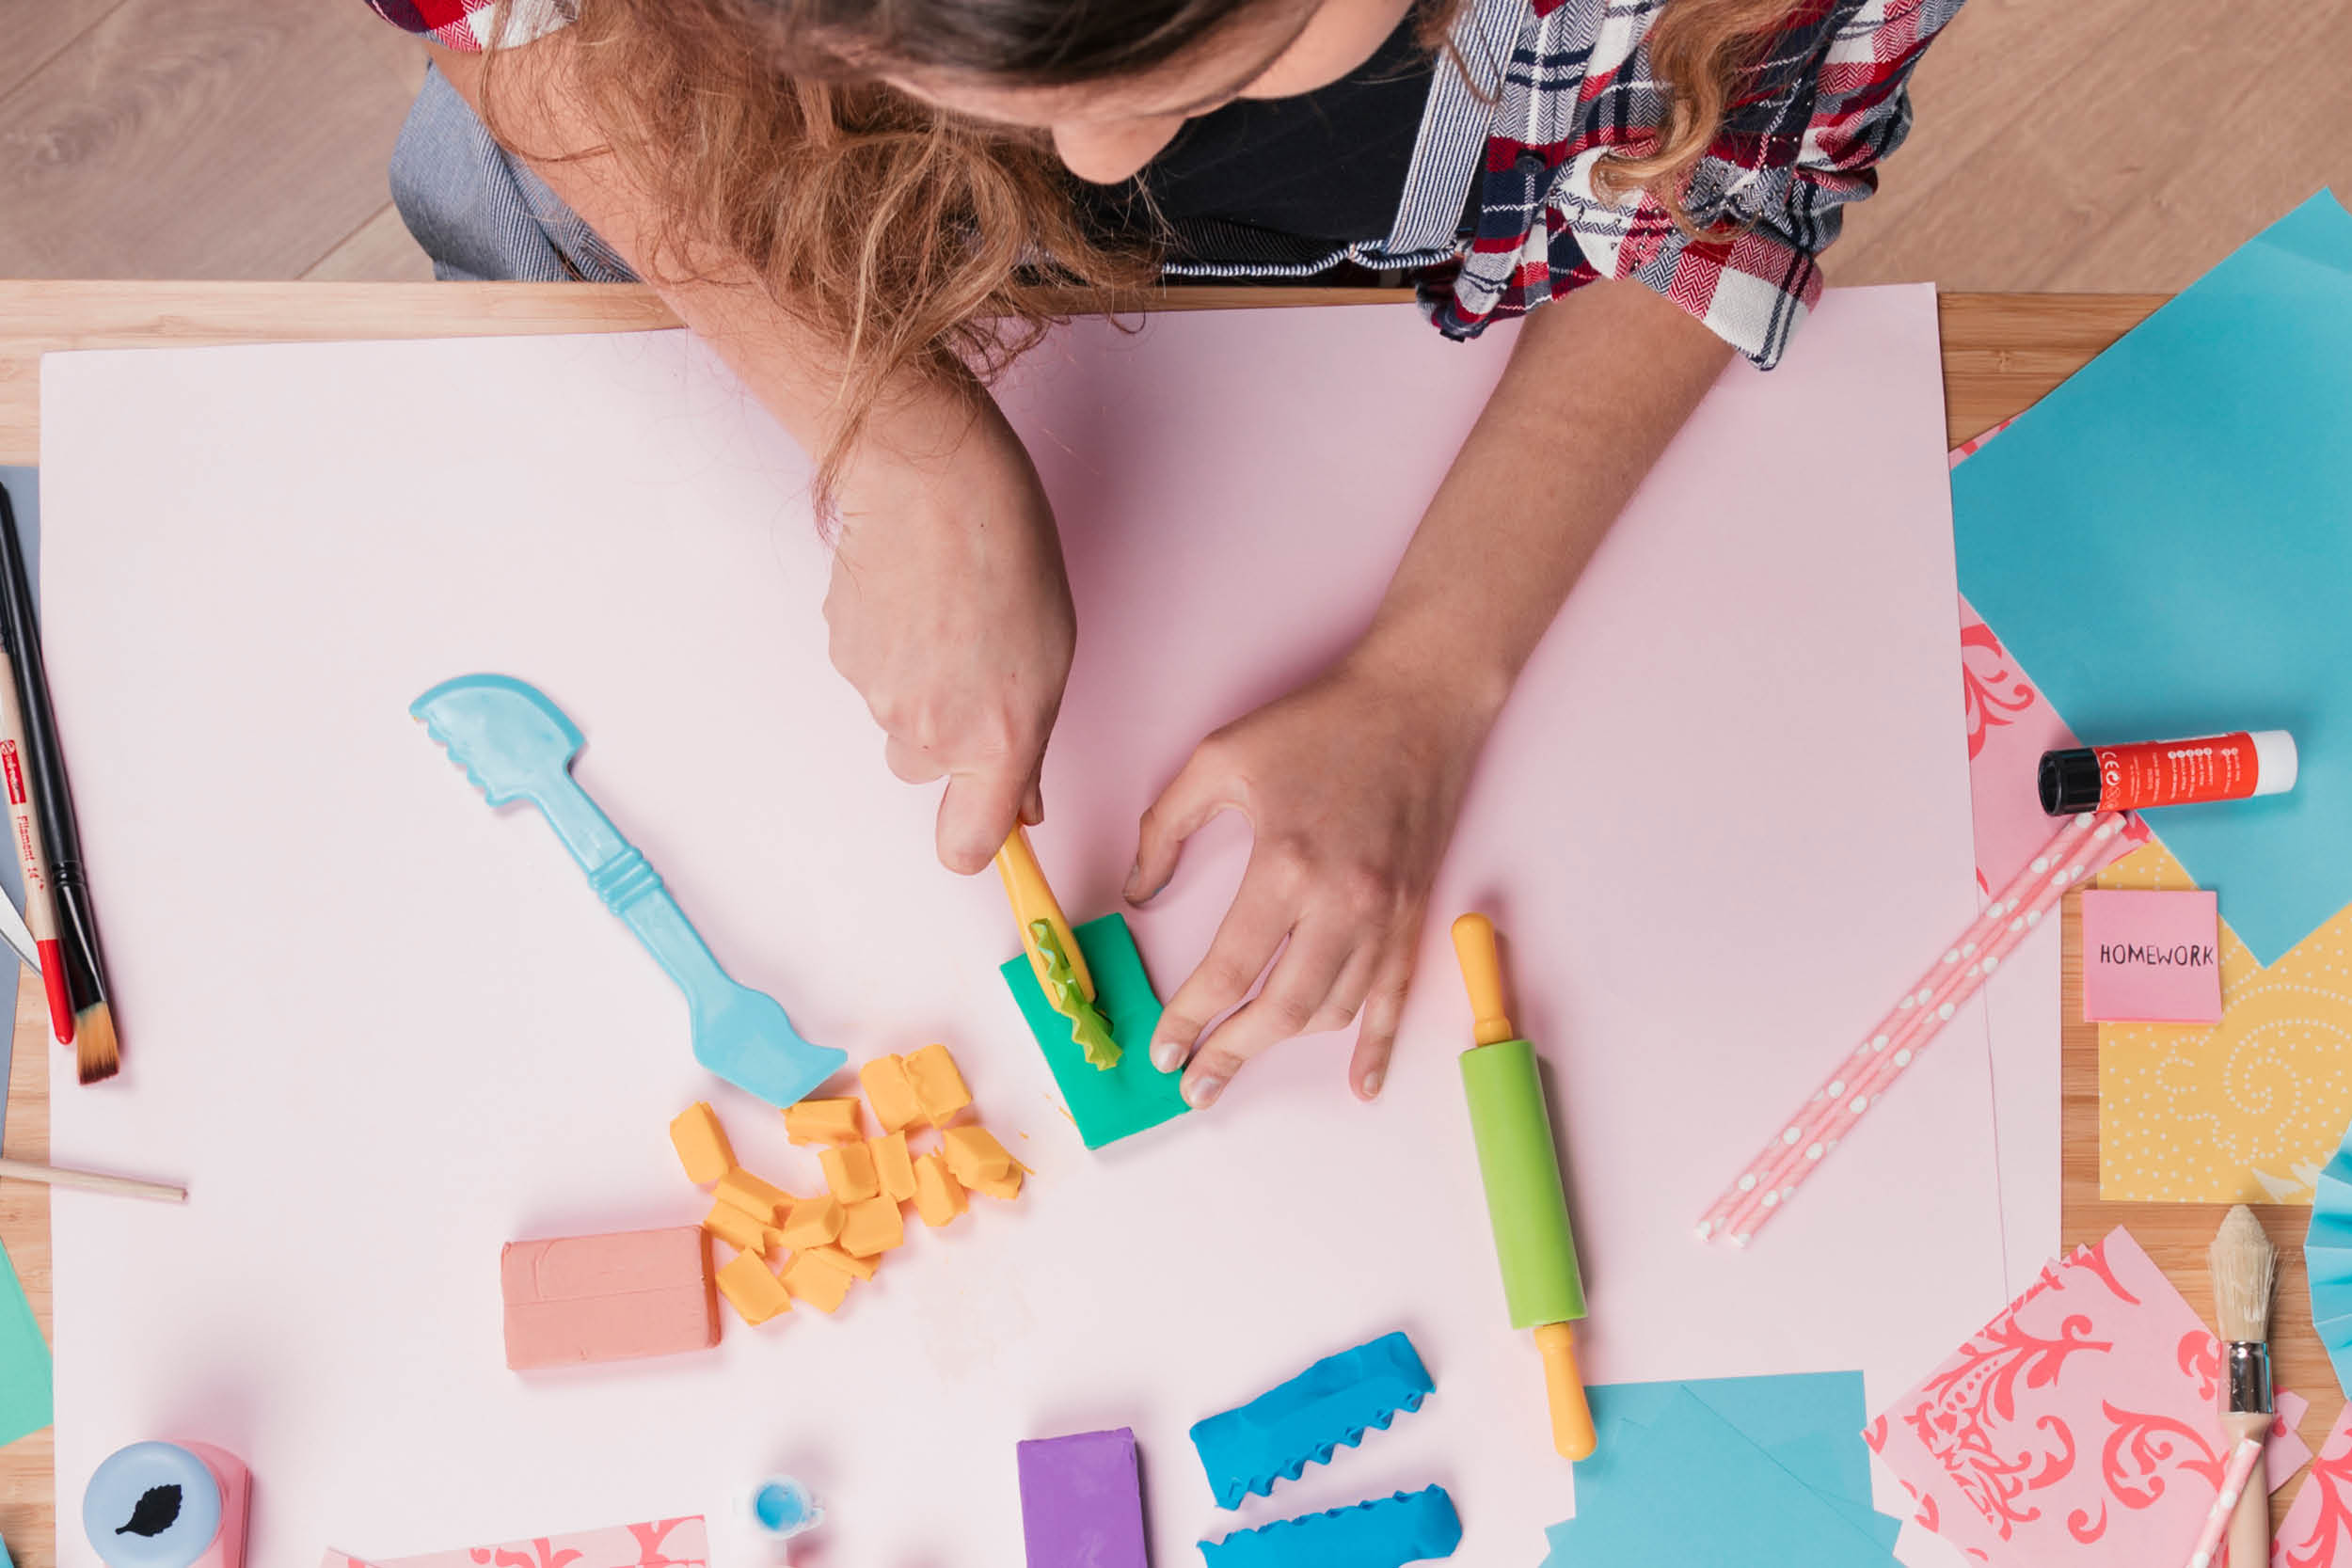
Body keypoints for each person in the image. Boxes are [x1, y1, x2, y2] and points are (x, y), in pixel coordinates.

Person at [368, 0, 1961, 1110]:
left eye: (1220, 51)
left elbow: (1722, 191)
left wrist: (1431, 674)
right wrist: (894, 431)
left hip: (1366, 293)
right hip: (668, 220)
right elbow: (514, 15)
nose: (1106, 158)